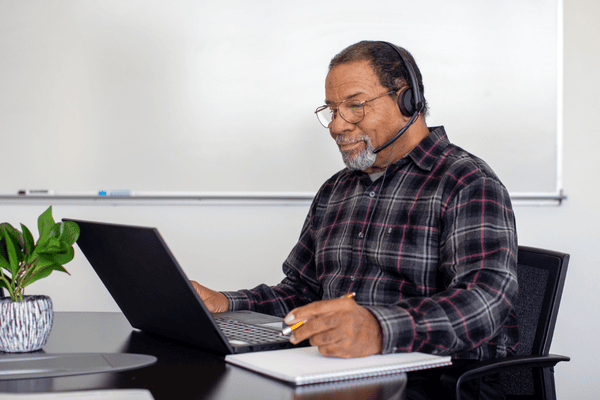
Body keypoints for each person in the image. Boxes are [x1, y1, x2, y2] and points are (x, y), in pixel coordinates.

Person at [191, 41, 518, 399]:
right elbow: (302, 291)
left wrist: (378, 328)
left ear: (406, 100)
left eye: (354, 106)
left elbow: (486, 301)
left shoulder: (466, 182)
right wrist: (227, 303)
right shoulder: (336, 190)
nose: (336, 125)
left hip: (436, 381)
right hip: (339, 373)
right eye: (332, 110)